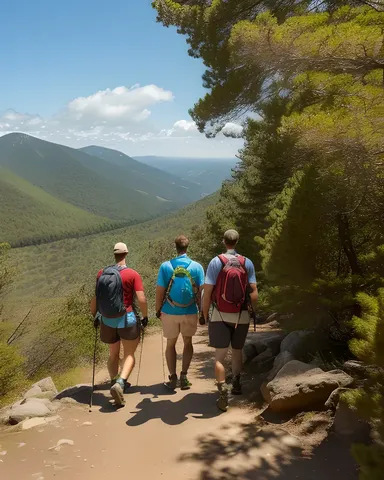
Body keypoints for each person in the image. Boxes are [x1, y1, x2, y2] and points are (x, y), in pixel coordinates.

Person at [202, 229, 258, 412]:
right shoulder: (247, 262)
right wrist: (252, 312)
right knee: (237, 351)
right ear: (237, 241)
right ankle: (237, 383)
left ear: (224, 241)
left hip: (220, 314)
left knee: (219, 356)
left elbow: (208, 292)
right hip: (241, 315)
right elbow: (254, 293)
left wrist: (204, 313)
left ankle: (222, 389)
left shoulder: (215, 262)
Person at [90, 242, 148, 407]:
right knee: (129, 354)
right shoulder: (132, 274)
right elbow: (141, 298)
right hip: (126, 318)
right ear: (126, 254)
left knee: (113, 354)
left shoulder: (101, 273)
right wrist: (145, 316)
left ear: (114, 254)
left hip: (107, 319)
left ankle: (114, 379)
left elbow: (95, 298)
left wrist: (94, 315)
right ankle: (120, 383)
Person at [156, 235, 205, 390]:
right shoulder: (197, 267)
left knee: (170, 344)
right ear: (187, 247)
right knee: (187, 342)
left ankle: (172, 377)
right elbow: (202, 292)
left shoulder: (166, 266)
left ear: (175, 247)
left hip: (169, 311)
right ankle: (184, 376)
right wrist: (203, 312)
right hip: (190, 310)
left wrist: (158, 309)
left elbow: (160, 291)